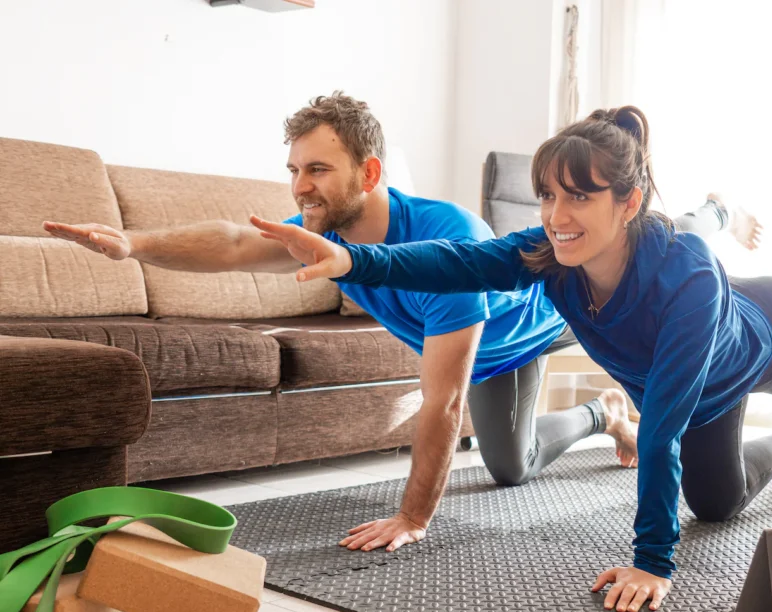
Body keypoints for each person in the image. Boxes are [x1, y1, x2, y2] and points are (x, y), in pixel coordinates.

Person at [253, 105, 772, 612]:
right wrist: (352, 256)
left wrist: (653, 562)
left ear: (627, 203)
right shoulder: (552, 255)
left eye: (579, 197)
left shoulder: (686, 272)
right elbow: (459, 260)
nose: (556, 215)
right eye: (546, 197)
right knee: (717, 502)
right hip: (705, 391)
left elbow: (658, 427)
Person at [42, 92, 731, 558]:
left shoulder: (444, 235)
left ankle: (710, 219)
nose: (298, 186)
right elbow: (229, 242)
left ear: (368, 172)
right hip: (477, 344)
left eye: (317, 168)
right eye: (293, 169)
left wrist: (414, 516)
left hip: (524, 330)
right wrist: (136, 244)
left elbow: (444, 399)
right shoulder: (326, 236)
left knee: (508, 467)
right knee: (514, 465)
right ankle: (603, 410)